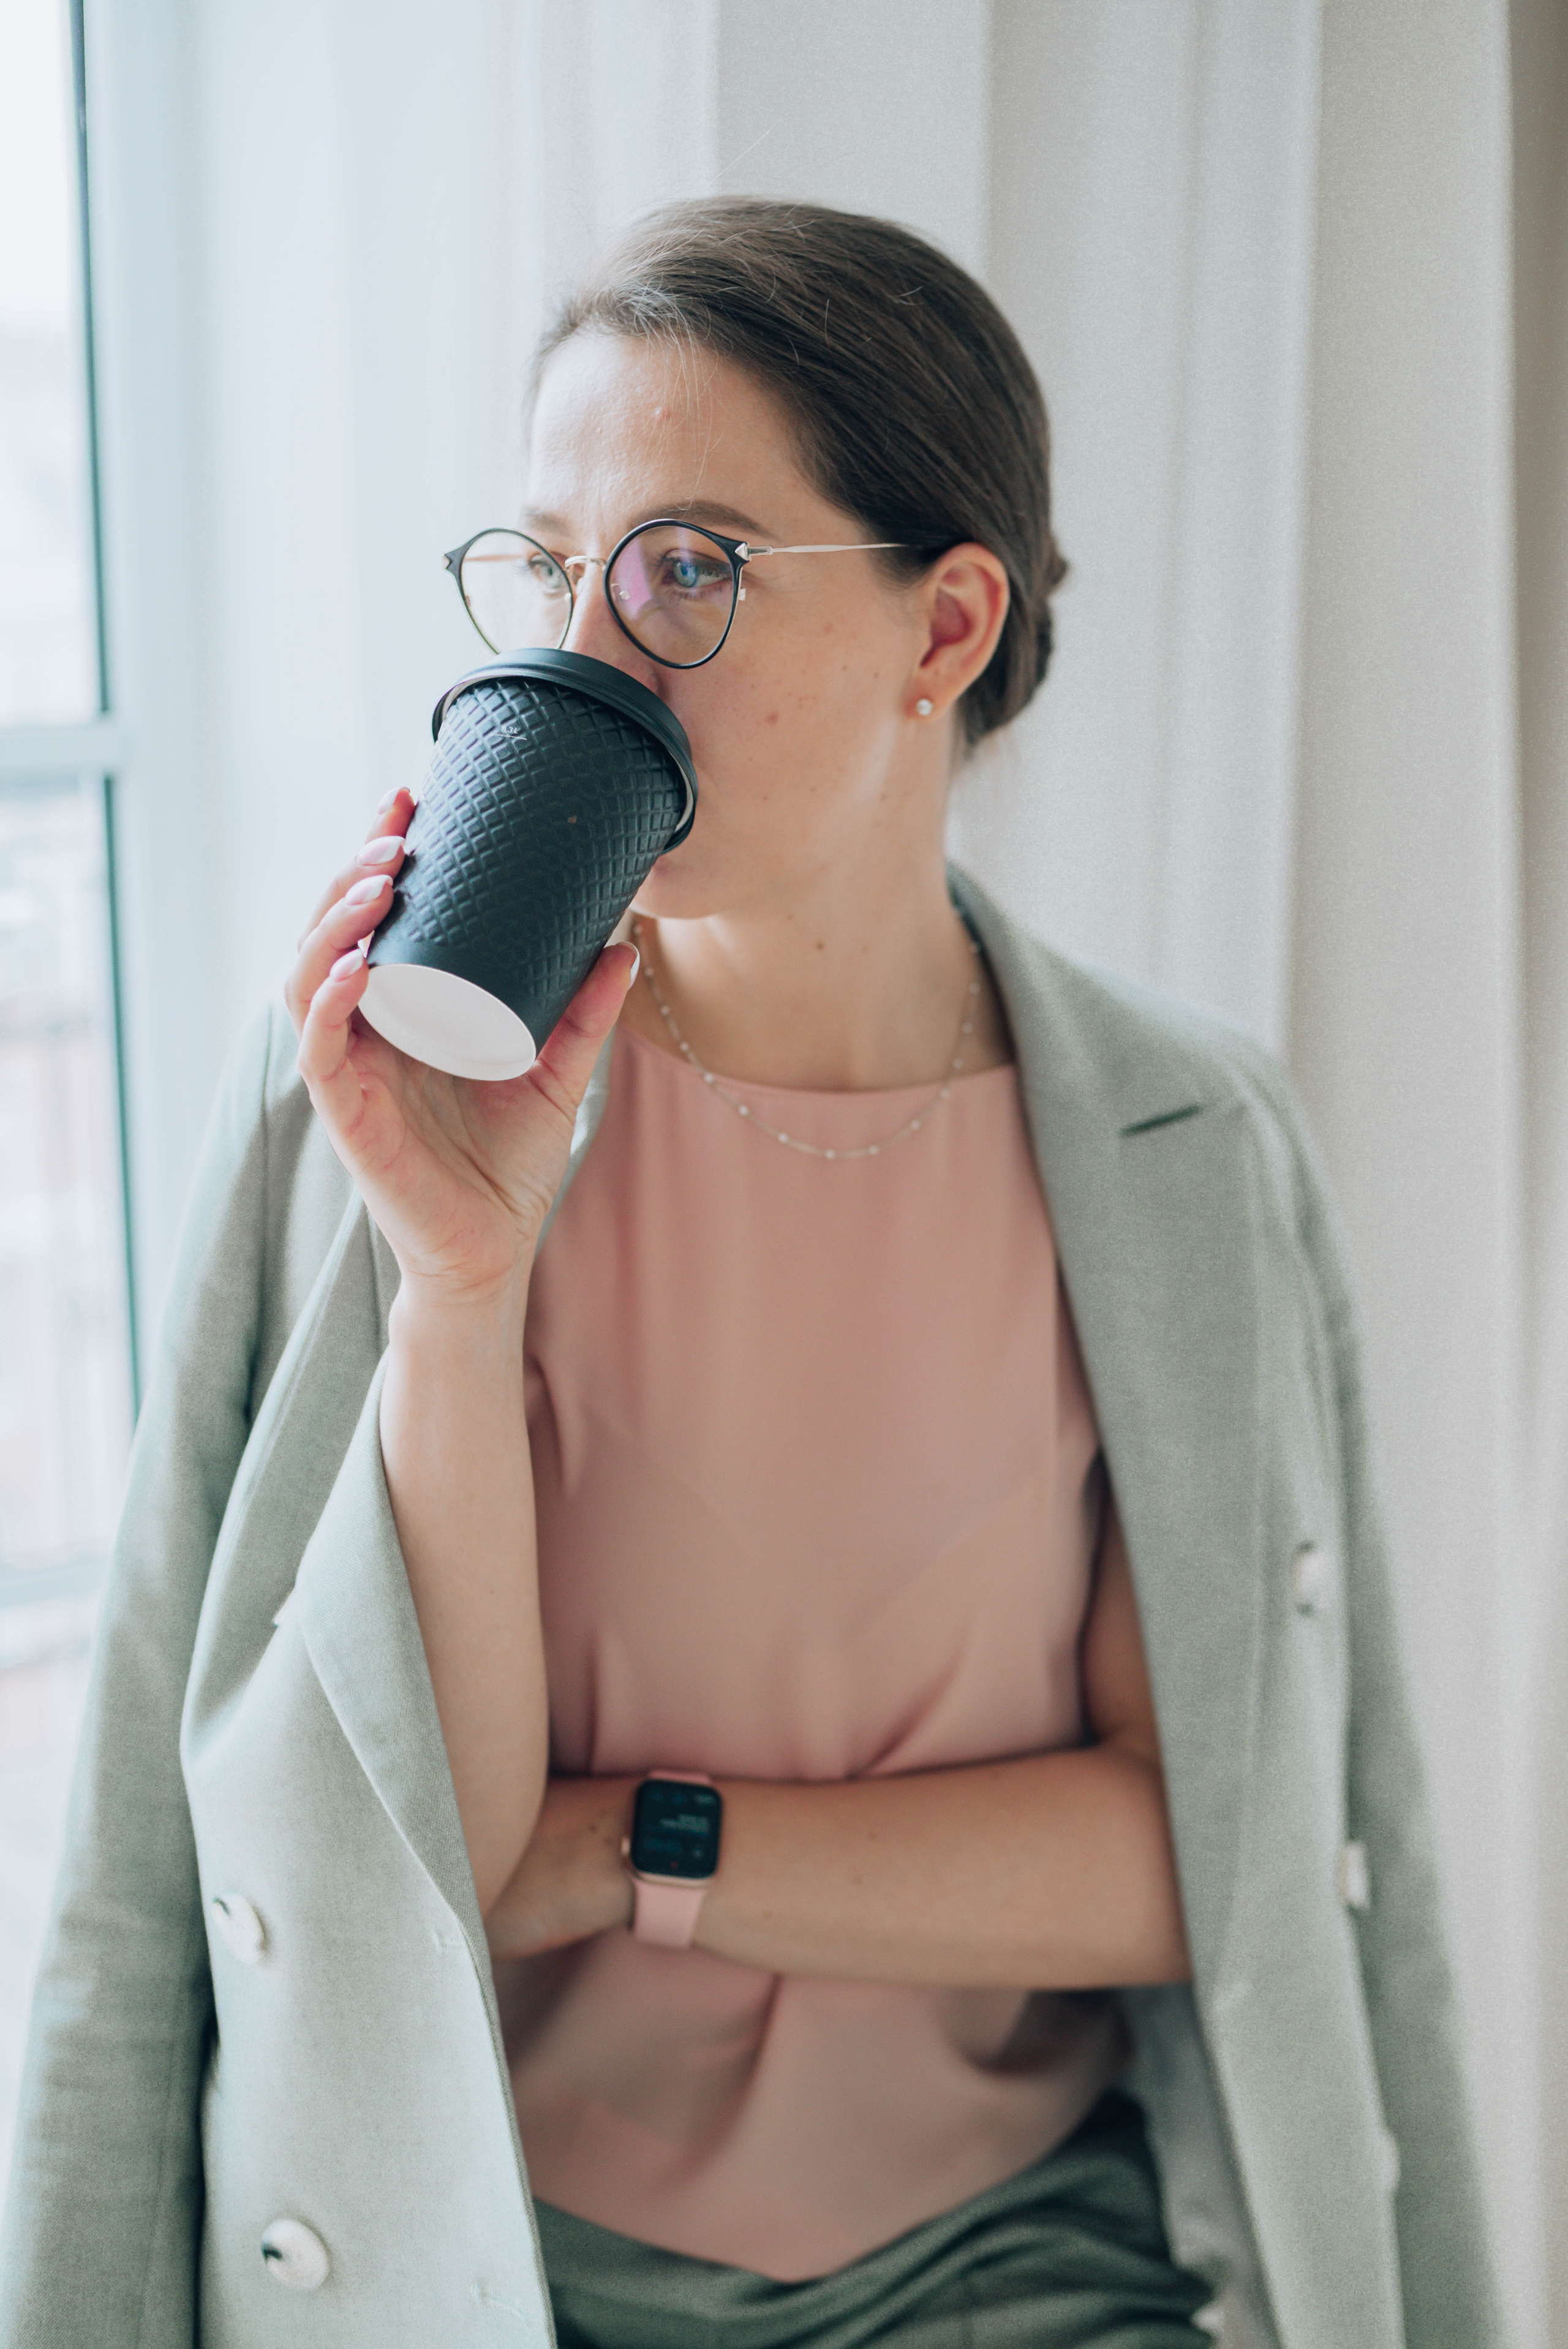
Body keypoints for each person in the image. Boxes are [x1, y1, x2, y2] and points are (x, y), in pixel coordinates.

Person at [0, 200, 1502, 2349]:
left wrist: (647, 1849)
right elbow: (236, 1870)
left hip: (1030, 2262)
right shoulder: (374, 1102)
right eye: (546, 565)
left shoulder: (1193, 1150)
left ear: (944, 628)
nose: (584, 659)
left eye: (689, 569)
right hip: (484, 2264)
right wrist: (457, 1275)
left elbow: (1227, 1846)